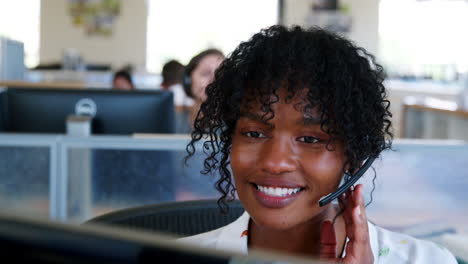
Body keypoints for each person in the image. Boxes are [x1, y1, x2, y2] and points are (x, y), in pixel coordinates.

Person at [179, 25, 457, 263]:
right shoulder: (179, 259)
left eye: (310, 139)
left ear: (353, 155)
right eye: (254, 133)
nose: (275, 162)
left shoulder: (429, 261)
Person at [183, 49, 224, 123]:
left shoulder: (237, 124)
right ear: (188, 80)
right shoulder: (170, 120)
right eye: (205, 73)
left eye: (220, 74)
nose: (213, 80)